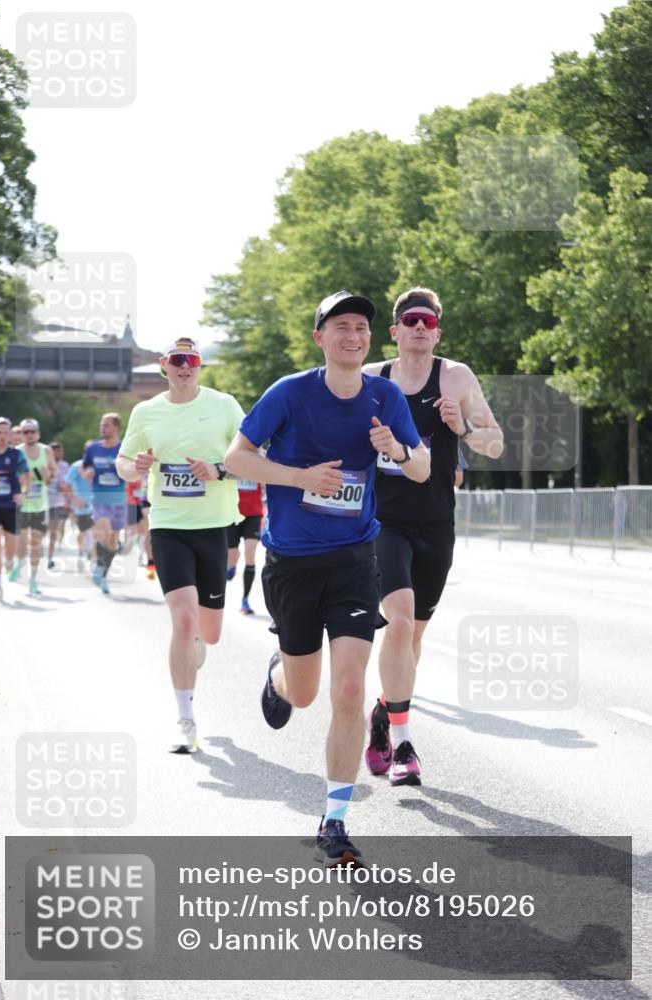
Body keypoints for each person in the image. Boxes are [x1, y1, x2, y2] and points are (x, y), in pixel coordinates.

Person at [225, 290, 430, 865]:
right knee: (306, 690)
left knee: (348, 690)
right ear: (320, 336)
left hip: (354, 560)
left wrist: (398, 449)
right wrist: (298, 477)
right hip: (292, 561)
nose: (354, 335)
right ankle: (280, 676)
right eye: (341, 325)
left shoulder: (384, 395)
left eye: (362, 327)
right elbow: (237, 457)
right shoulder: (290, 393)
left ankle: (334, 820)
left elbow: (423, 467)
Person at [362, 286, 503, 786]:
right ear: (395, 331)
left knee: (413, 636)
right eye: (410, 320)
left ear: (436, 331)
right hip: (382, 522)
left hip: (436, 523)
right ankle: (404, 746)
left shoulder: (456, 376)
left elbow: (495, 443)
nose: (419, 327)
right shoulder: (372, 379)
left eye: (428, 321)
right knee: (397, 624)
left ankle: (383, 712)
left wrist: (461, 425)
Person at [116, 336, 244, 754]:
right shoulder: (146, 411)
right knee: (183, 620)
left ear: (200, 365)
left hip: (215, 527)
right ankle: (185, 719)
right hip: (168, 526)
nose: (185, 366)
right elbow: (124, 463)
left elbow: (250, 455)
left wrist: (219, 469)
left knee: (209, 631)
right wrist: (134, 467)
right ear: (164, 366)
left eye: (191, 360)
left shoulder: (223, 404)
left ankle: (195, 647)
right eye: (177, 360)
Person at [12, 418, 57, 595]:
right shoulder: (16, 452)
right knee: (22, 543)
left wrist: (48, 476)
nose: (29, 435)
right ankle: (20, 563)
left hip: (40, 505)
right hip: (22, 506)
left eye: (32, 431)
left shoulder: (46, 451)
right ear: (21, 434)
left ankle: (33, 580)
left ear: (38, 433)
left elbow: (53, 475)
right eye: (25, 432)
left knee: (36, 544)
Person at [82, 413, 126, 594]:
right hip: (99, 500)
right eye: (101, 424)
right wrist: (88, 473)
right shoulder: (93, 449)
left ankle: (102, 574)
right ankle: (98, 568)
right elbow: (84, 467)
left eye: (106, 425)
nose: (102, 428)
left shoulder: (124, 448)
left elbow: (132, 470)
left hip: (119, 501)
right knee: (104, 531)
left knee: (112, 542)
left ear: (116, 427)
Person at [0, 417, 30, 598]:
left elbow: (28, 477)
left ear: (10, 435)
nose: (3, 436)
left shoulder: (16, 455)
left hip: (11, 504)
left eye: (6, 432)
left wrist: (24, 494)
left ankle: (10, 561)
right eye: (0, 432)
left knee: (9, 550)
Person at [226, 476, 265, 614]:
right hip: (233, 513)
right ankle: (232, 564)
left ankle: (245, 600)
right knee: (230, 559)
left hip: (254, 514)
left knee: (251, 552)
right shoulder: (233, 457)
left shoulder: (259, 458)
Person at [63, 442, 95, 571]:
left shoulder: (101, 465)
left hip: (98, 504)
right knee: (83, 531)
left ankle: (94, 561)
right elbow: (66, 485)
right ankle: (81, 554)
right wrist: (76, 500)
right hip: (82, 505)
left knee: (95, 532)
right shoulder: (76, 466)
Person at [47, 442, 70, 569]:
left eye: (60, 451)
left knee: (53, 531)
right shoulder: (42, 463)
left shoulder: (65, 466)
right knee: (38, 532)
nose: (59, 454)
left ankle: (50, 557)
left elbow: (67, 483)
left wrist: (64, 489)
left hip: (57, 502)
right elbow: (36, 479)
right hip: (41, 502)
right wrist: (46, 480)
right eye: (56, 451)